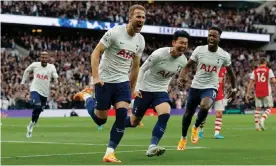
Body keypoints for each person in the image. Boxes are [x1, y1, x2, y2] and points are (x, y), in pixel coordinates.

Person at [73, 4, 146, 163]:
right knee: (101, 120)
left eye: (143, 17)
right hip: (105, 82)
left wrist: (133, 88)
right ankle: (86, 97)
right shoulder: (114, 33)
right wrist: (96, 77)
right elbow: (96, 52)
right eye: (138, 16)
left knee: (121, 116)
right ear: (130, 18)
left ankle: (109, 152)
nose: (141, 20)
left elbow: (135, 66)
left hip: (122, 83)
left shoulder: (140, 40)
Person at [124, 30, 189, 157]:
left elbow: (180, 75)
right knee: (134, 122)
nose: (183, 46)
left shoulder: (183, 60)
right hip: (144, 90)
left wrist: (180, 81)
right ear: (173, 42)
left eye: (186, 43)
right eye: (181, 42)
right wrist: (136, 89)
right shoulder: (159, 54)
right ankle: (119, 123)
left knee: (165, 114)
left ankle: (152, 146)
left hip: (160, 91)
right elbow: (142, 69)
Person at [177, 26, 237, 150]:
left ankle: (196, 127)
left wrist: (234, 89)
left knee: (205, 106)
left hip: (211, 87)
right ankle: (183, 138)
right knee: (188, 114)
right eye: (209, 35)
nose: (211, 38)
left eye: (214, 36)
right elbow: (188, 66)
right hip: (196, 86)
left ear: (219, 38)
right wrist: (181, 77)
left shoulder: (224, 55)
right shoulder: (199, 50)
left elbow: (231, 73)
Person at [20, 52, 58, 138]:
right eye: (42, 57)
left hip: (45, 93)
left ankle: (31, 125)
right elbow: (26, 71)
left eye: (45, 57)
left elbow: (55, 76)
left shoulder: (51, 67)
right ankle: (29, 100)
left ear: (48, 58)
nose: (44, 59)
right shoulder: (35, 65)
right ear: (40, 58)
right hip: (35, 89)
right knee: (37, 106)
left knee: (38, 111)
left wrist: (56, 80)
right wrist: (22, 82)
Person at [246, 57, 276, 131]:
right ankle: (262, 119)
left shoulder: (255, 71)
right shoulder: (269, 70)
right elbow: (273, 81)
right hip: (266, 91)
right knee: (270, 107)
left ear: (259, 63)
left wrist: (248, 93)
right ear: (265, 62)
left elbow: (251, 83)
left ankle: (257, 126)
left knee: (257, 108)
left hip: (258, 91)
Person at [198, 67, 228, 139]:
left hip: (219, 94)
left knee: (219, 113)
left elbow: (223, 81)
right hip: (208, 93)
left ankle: (216, 134)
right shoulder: (211, 66)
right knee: (204, 112)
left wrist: (223, 91)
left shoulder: (224, 69)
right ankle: (200, 130)